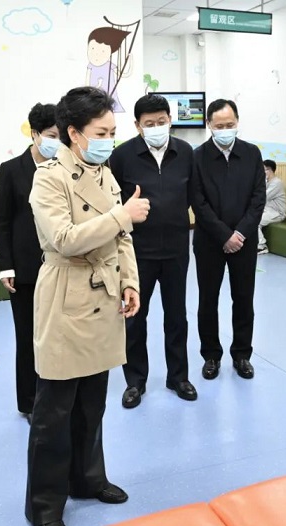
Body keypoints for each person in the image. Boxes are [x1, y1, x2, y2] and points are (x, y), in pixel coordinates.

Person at [25, 87, 151, 526]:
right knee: (54, 410)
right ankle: (44, 504)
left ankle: (88, 478)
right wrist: (122, 216)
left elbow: (122, 239)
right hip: (67, 293)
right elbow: (63, 240)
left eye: (113, 132)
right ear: (74, 134)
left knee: (93, 403)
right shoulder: (49, 177)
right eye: (101, 133)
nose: (109, 140)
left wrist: (130, 282)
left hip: (105, 292)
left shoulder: (105, 173)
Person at [109, 94, 196, 408]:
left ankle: (178, 377)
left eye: (161, 121)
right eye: (149, 123)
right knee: (135, 318)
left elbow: (194, 195)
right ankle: (135, 381)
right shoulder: (121, 156)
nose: (157, 127)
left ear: (170, 120)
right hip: (136, 252)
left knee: (177, 317)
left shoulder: (185, 152)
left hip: (176, 249)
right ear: (137, 125)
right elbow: (111, 201)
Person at [191, 99, 266, 380]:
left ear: (237, 122)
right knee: (207, 300)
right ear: (209, 125)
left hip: (244, 241)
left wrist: (240, 233)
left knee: (244, 298)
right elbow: (197, 201)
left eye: (230, 125)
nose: (225, 130)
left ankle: (242, 355)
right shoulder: (197, 157)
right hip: (209, 241)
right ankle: (211, 355)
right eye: (219, 126)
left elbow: (258, 199)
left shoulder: (251, 153)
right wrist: (224, 235)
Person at [0, 102, 59, 423]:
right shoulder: (11, 170)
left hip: (60, 266)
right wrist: (6, 266)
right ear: (34, 134)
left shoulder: (64, 168)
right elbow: (3, 222)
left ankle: (56, 395)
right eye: (50, 135)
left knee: (57, 336)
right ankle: (30, 403)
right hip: (24, 269)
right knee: (27, 337)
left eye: (61, 136)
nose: (56, 142)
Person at [257, 159, 286, 254]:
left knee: (255, 221)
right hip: (268, 211)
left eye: (263, 170)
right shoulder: (267, 182)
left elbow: (263, 197)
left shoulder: (277, 183)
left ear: (269, 170)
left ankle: (262, 246)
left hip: (277, 213)